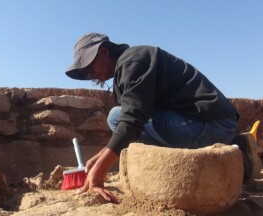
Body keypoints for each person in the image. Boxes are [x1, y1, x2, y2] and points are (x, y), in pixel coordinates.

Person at [65, 32, 250, 203]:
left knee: (116, 116)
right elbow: (134, 117)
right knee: (117, 117)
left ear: (104, 51)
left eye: (90, 66)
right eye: (85, 72)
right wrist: (101, 155)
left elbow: (132, 121)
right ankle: (237, 147)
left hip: (211, 124)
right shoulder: (126, 68)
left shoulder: (132, 60)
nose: (90, 74)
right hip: (211, 125)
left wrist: (99, 171)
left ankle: (228, 148)